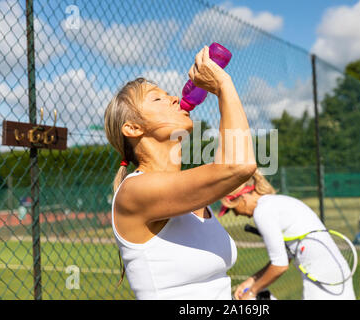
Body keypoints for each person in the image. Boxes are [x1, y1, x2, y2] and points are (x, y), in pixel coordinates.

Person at [103, 46, 257, 299]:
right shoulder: (134, 192)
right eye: (157, 98)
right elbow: (238, 165)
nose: (174, 98)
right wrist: (222, 84)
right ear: (132, 128)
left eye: (168, 95)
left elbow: (228, 167)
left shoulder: (191, 192)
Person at [219, 170, 356, 300]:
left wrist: (251, 292)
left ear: (243, 197)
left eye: (232, 209)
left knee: (256, 295)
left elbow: (280, 265)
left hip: (322, 277)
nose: (236, 214)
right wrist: (250, 282)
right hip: (336, 273)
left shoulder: (262, 212)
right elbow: (285, 257)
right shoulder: (277, 202)